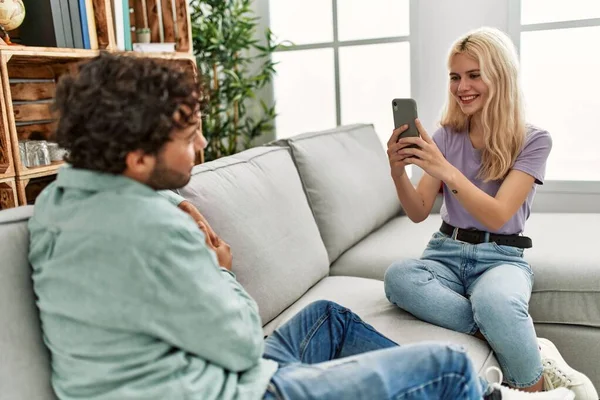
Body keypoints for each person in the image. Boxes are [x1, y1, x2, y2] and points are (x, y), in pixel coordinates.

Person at [27, 52, 574, 400]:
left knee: (327, 319)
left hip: (185, 376)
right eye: (189, 132)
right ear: (136, 157)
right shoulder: (152, 227)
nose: (203, 145)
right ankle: (496, 391)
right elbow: (241, 345)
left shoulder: (60, 198)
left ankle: (499, 348)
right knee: (447, 365)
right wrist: (221, 270)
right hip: (235, 390)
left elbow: (498, 214)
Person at [383, 27, 597, 399]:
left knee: (497, 299)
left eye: (473, 74)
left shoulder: (533, 140)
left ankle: (535, 388)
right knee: (399, 277)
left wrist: (445, 169)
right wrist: (397, 170)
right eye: (455, 76)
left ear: (499, 75)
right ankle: (513, 334)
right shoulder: (446, 135)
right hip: (444, 255)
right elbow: (418, 211)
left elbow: (498, 216)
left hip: (501, 257)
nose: (462, 86)